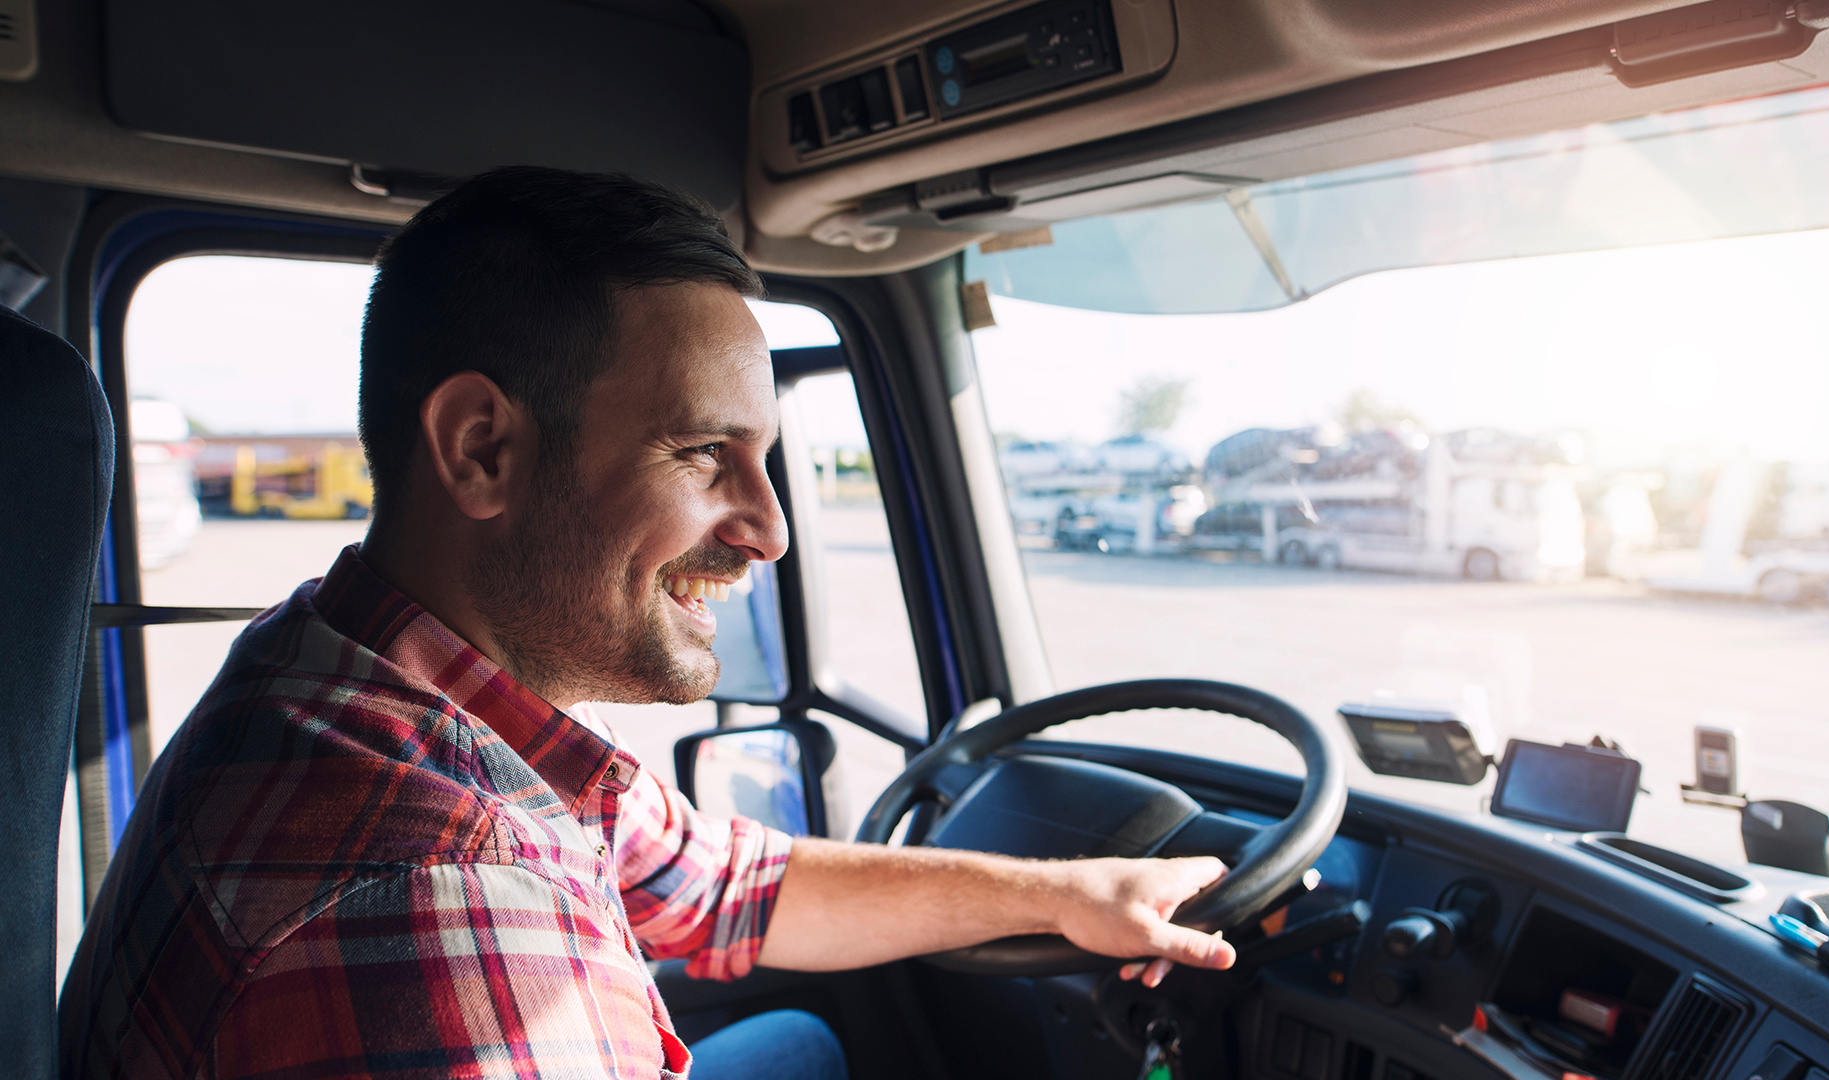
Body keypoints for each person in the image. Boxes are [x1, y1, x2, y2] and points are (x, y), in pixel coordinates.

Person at [59, 167, 1237, 1080]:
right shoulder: (438, 897)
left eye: (766, 461)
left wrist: (1063, 896)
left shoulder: (360, 665)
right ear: (482, 449)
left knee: (798, 1045)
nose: (769, 531)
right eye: (703, 454)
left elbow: (724, 884)